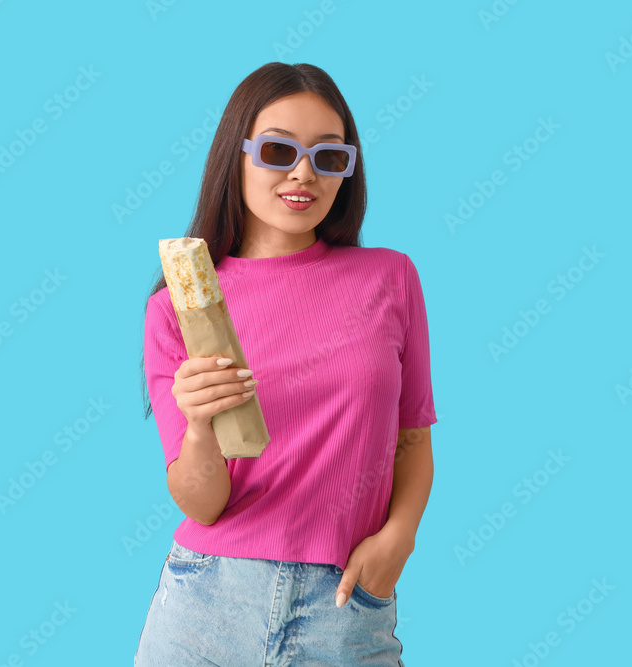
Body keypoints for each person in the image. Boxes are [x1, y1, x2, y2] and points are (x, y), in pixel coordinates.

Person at [134, 62, 437, 666]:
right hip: (204, 606)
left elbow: (412, 441)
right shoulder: (177, 308)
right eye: (278, 150)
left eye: (329, 157)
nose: (304, 173)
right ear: (236, 155)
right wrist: (198, 425)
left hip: (346, 607)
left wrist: (396, 543)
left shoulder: (390, 278)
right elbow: (202, 503)